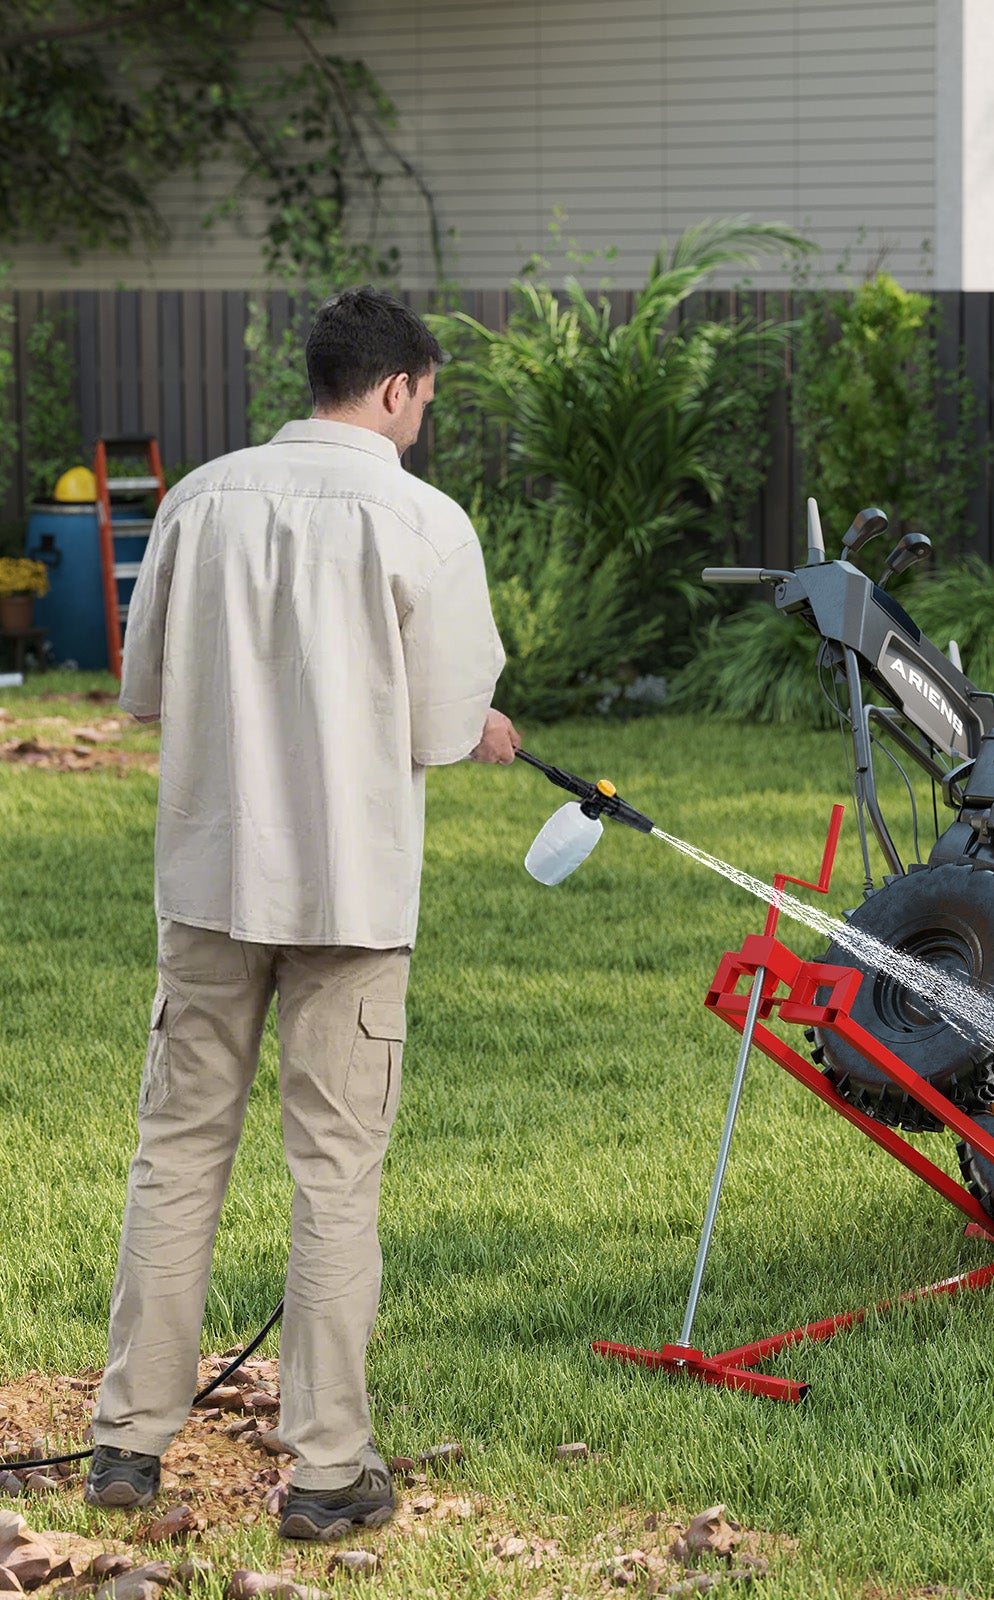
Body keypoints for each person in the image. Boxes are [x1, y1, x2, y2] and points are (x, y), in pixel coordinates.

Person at [85, 286, 518, 1542]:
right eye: (424, 402)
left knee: (175, 1153)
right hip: (352, 898)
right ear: (393, 389)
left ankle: (126, 1444)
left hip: (212, 888)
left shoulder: (195, 501)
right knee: (334, 1171)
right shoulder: (424, 522)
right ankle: (326, 1469)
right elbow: (443, 726)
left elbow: (144, 691)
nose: (420, 424)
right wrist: (477, 730)